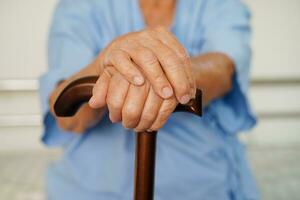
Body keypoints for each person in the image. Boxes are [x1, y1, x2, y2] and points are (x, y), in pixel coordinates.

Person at [39, 0, 259, 199]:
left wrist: (162, 70)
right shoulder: (79, 6)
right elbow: (69, 118)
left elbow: (223, 70)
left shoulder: (219, 5)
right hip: (89, 189)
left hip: (202, 185)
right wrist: (104, 65)